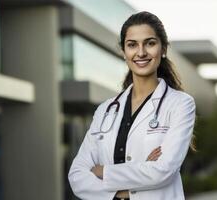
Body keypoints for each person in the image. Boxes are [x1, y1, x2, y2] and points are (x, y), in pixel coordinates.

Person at [68, 11, 196, 200]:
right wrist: (121, 192)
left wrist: (103, 171)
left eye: (150, 43)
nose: (141, 52)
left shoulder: (180, 104)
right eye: (132, 45)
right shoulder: (105, 110)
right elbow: (77, 175)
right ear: (123, 51)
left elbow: (163, 170)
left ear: (163, 49)